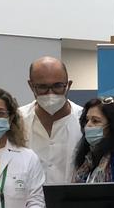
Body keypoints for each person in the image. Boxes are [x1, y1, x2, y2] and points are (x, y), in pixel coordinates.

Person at [22, 56, 83, 185]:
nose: (50, 93)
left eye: (58, 86)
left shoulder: (85, 121)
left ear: (69, 85)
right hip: (25, 203)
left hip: (72, 202)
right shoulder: (16, 120)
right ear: (31, 86)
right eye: (42, 87)